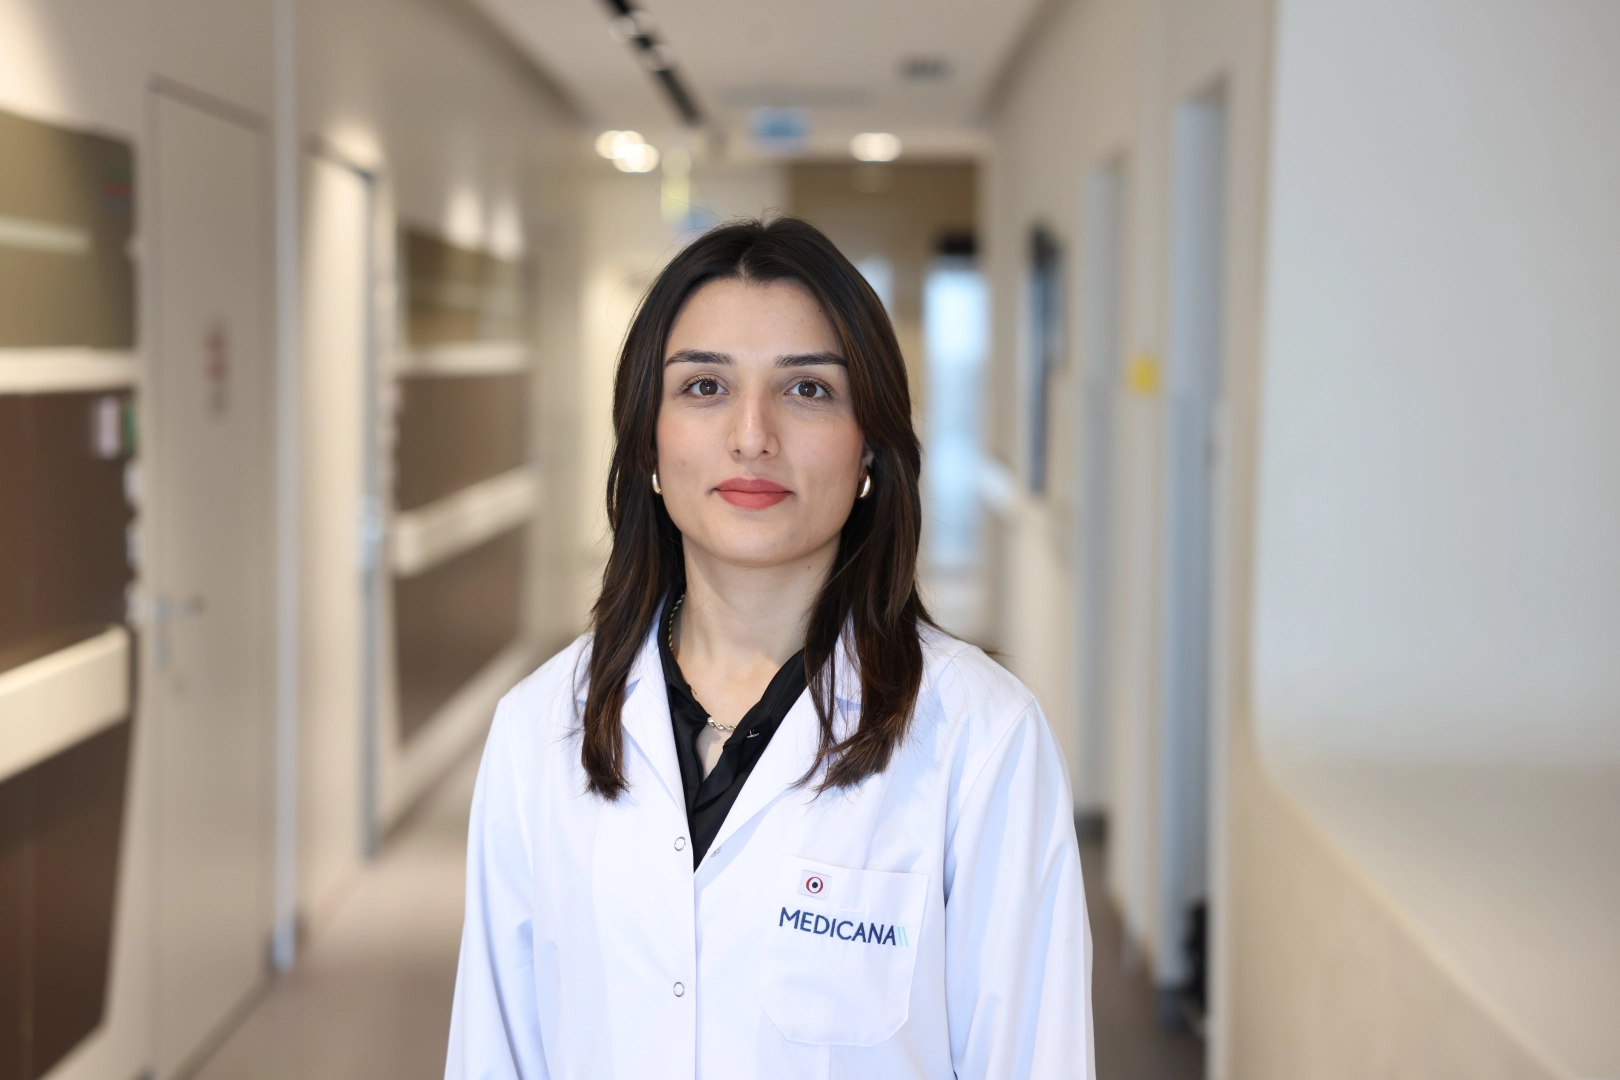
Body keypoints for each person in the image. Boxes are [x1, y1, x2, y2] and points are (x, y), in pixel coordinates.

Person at [445, 217, 1094, 1079]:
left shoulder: (981, 739)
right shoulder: (538, 731)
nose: (752, 434)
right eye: (705, 386)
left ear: (870, 446)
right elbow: (494, 1055)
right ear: (647, 439)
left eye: (808, 389)